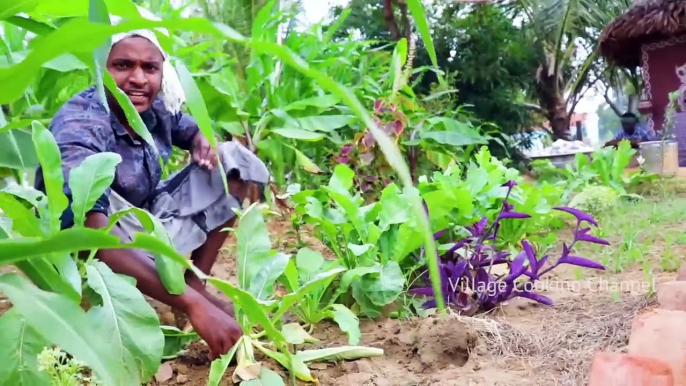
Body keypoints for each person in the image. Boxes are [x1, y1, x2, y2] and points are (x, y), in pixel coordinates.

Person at [33, 25, 269, 360]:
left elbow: (186, 127)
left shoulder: (153, 107)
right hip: (88, 248)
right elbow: (88, 229)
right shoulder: (82, 123)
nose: (139, 79)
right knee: (91, 207)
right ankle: (185, 295)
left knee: (232, 160)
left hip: (144, 223)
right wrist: (194, 305)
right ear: (102, 68)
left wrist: (202, 138)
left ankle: (194, 282)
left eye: (150, 68)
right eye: (123, 65)